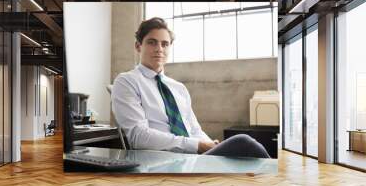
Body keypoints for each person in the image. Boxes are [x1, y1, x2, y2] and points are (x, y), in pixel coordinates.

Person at [111, 17, 270, 158]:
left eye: (165, 44)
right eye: (152, 42)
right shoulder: (127, 81)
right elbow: (138, 137)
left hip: (192, 157)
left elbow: (194, 130)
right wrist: (198, 146)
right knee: (243, 142)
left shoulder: (178, 88)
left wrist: (211, 145)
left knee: (242, 157)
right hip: (161, 159)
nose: (159, 49)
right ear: (138, 46)